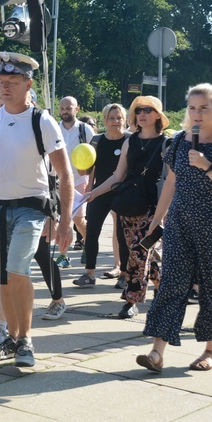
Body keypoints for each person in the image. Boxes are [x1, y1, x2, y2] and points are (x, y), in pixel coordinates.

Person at [0, 51, 74, 367]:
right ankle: (10, 337)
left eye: (12, 81)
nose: (4, 87)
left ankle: (25, 341)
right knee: (3, 278)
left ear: (28, 84)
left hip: (31, 210)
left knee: (18, 270)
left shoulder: (42, 121)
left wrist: (65, 222)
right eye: (1, 81)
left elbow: (65, 174)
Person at [137, 83, 212, 372]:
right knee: (171, 284)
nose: (197, 114)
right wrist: (156, 219)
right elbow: (171, 183)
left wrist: (208, 166)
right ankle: (156, 352)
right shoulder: (179, 141)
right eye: (192, 108)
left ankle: (211, 351)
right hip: (179, 223)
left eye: (204, 108)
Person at [85, 96, 168, 319]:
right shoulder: (130, 142)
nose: (142, 114)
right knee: (143, 255)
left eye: (148, 110)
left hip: (154, 209)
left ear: (158, 115)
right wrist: (94, 193)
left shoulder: (166, 143)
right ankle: (166, 291)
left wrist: (162, 215)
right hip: (129, 206)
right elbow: (117, 176)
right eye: (138, 110)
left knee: (139, 253)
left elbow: (171, 182)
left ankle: (131, 300)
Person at [79, 104, 130, 289]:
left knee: (121, 235)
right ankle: (89, 273)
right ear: (105, 120)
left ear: (124, 120)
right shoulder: (97, 140)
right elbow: (91, 169)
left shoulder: (129, 140)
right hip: (99, 192)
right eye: (111, 118)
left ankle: (124, 274)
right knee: (91, 232)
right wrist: (89, 189)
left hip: (122, 193)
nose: (115, 121)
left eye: (119, 118)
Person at [56, 96, 94, 268]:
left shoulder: (85, 130)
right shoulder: (54, 129)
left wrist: (88, 171)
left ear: (76, 109)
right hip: (58, 181)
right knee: (64, 219)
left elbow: (94, 154)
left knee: (79, 220)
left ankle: (90, 244)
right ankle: (63, 256)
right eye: (62, 108)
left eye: (68, 108)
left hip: (79, 182)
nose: (65, 111)